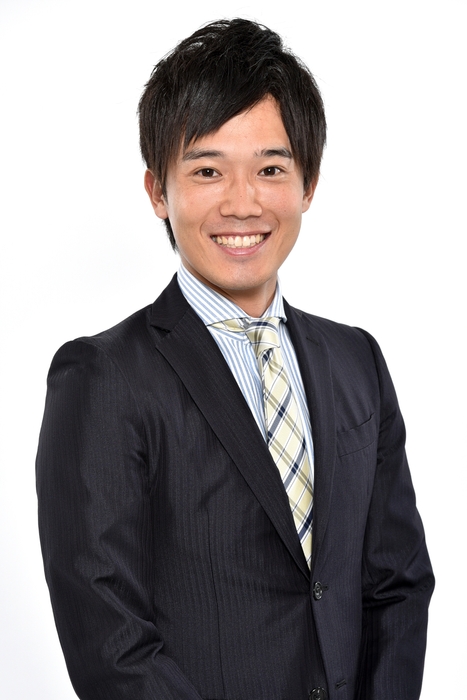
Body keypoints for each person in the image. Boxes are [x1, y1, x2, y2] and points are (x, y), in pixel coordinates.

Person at [36, 18, 434, 700]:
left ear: (308, 184)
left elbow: (396, 584)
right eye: (207, 170)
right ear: (157, 191)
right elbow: (110, 637)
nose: (242, 202)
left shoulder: (356, 362)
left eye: (270, 169)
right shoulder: (102, 377)